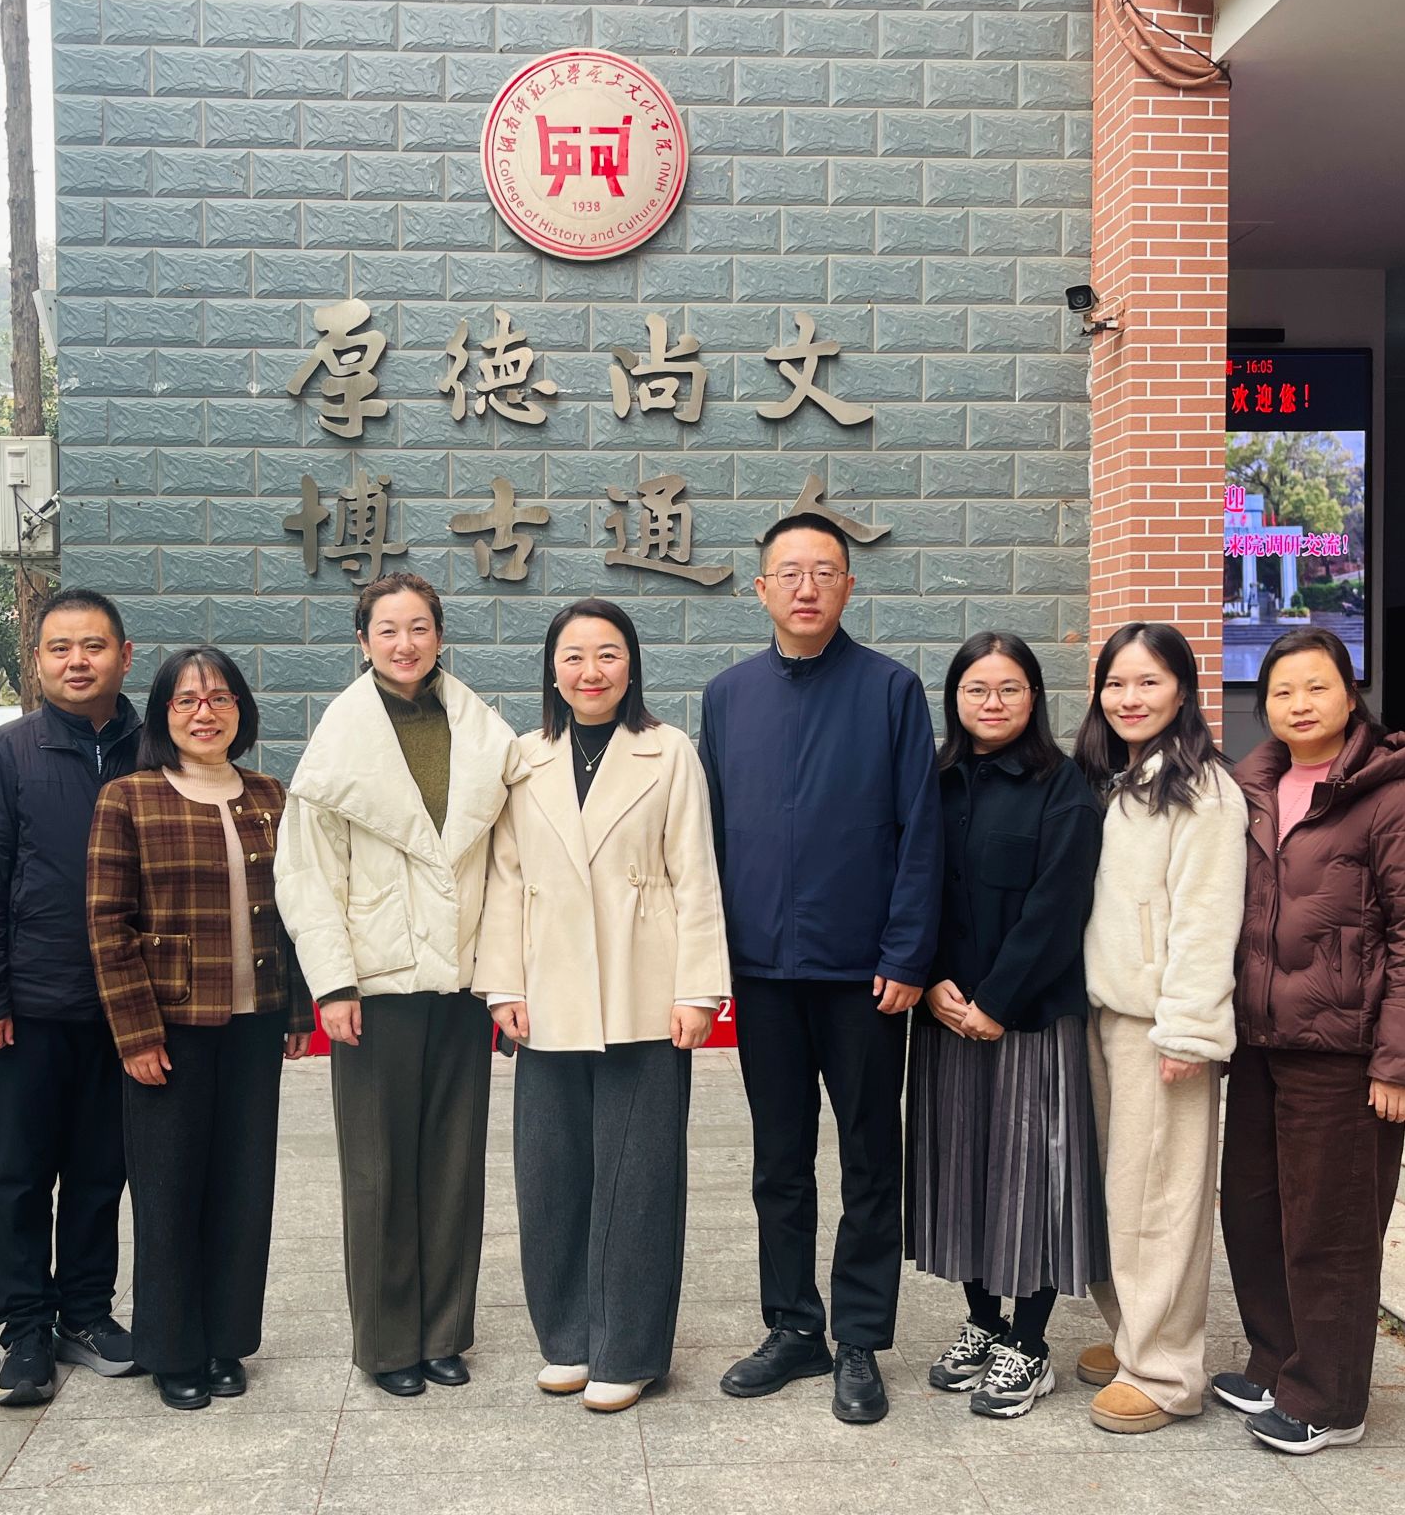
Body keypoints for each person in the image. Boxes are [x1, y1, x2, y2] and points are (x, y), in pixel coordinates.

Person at [698, 512, 943, 1425]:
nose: (807, 587)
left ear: (849, 586)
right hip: (763, 974)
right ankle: (794, 1326)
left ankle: (861, 1339)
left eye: (825, 571)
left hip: (865, 976)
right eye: (789, 572)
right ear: (761, 588)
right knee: (780, 1159)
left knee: (872, 1158)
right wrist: (711, 961)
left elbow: (921, 835)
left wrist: (907, 953)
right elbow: (708, 841)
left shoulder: (890, 691)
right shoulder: (727, 697)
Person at [475, 600, 730, 1413]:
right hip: (547, 992)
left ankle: (629, 1349)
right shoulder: (524, 758)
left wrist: (697, 990)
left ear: (632, 665)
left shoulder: (668, 751)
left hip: (644, 988)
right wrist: (503, 986)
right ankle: (568, 1340)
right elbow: (506, 877)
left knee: (640, 1177)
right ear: (552, 669)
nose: (592, 671)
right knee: (550, 1174)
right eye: (575, 656)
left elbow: (696, 873)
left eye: (608, 654)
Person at [276, 573, 516, 1397]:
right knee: (379, 1171)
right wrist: (333, 985)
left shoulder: (481, 729)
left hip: (459, 982)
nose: (405, 643)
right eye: (388, 629)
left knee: (453, 1165)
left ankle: (443, 1332)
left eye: (419, 627)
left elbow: (505, 863)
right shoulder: (339, 740)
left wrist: (503, 976)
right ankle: (385, 1343)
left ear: (440, 636)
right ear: (364, 641)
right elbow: (308, 875)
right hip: (373, 986)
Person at [1218, 628, 1405, 1455]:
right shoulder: (1252, 789)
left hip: (1345, 1052)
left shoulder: (1396, 802)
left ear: (1350, 697)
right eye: (1282, 691)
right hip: (1259, 1042)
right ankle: (1277, 1363)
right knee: (1252, 1212)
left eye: (1317, 687)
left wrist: (1402, 1062)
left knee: (1333, 1227)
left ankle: (1329, 1398)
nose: (1299, 705)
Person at [86, 646, 311, 1411]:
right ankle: (172, 1349)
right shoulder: (129, 798)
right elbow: (107, 924)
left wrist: (297, 1011)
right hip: (170, 1027)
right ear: (163, 715)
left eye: (219, 699)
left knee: (244, 1187)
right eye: (186, 700)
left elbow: (298, 912)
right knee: (170, 1191)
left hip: (255, 1023)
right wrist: (136, 1033)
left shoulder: (272, 796)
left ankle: (225, 1342)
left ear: (241, 710)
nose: (204, 713)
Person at [910, 630, 1106, 1422]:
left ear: (1034, 697)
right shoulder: (933, 781)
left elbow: (1058, 906)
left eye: (1009, 688)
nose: (992, 703)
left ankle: (1029, 1341)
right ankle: (983, 1323)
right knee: (960, 1175)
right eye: (976, 689)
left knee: (1032, 1183)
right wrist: (929, 982)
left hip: (1028, 1019)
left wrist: (996, 1001)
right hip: (944, 1014)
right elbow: (913, 888)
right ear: (954, 698)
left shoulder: (1064, 786)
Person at [0, 589, 144, 1405]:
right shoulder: (7, 753)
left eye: (93, 646)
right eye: (60, 648)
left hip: (125, 1009)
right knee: (23, 1176)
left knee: (103, 1173)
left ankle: (87, 1313)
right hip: (27, 1007)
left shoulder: (154, 749)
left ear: (123, 657)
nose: (78, 661)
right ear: (36, 662)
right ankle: (26, 1327)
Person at [1069, 623, 1246, 1433]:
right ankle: (1132, 1338)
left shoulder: (1202, 788)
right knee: (1117, 1192)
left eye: (1149, 682)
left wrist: (1189, 1031)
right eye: (1116, 683)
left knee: (1161, 1199)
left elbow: (1208, 917)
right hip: (1104, 1015)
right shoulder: (1116, 779)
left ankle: (1167, 1371)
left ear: (1183, 690)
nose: (1129, 698)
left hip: (1160, 1026)